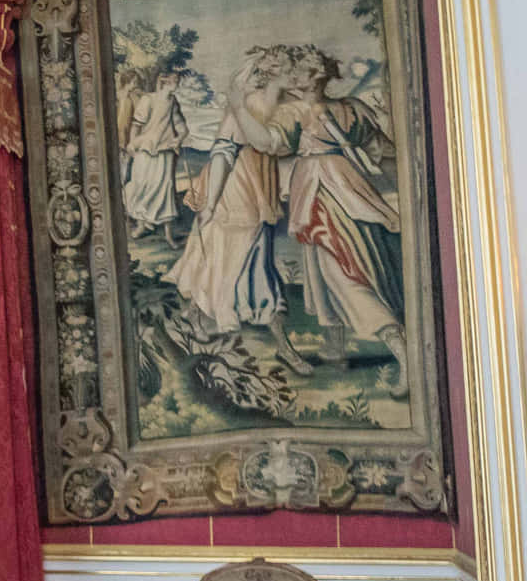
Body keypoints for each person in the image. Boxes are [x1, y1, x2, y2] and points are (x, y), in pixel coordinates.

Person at [230, 45, 408, 395]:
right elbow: (384, 148)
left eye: (297, 73)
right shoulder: (351, 108)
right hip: (353, 188)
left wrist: (238, 107)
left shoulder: (297, 111)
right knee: (343, 263)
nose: (291, 78)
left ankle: (400, 350)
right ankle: (336, 349)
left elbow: (267, 143)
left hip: (320, 191)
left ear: (308, 80)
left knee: (339, 269)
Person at [165, 47, 312, 374]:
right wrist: (211, 203)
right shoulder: (246, 104)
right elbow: (223, 153)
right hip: (235, 194)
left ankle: (278, 345)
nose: (290, 74)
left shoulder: (284, 104)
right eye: (283, 67)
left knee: (249, 265)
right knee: (230, 263)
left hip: (258, 194)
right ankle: (281, 346)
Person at [121, 69, 189, 244]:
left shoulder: (172, 102)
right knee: (142, 186)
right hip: (145, 150)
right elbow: (136, 125)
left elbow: (182, 127)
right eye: (175, 80)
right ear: (165, 81)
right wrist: (132, 145)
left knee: (164, 189)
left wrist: (178, 139)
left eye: (178, 80)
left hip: (164, 151)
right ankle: (142, 224)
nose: (177, 83)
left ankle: (168, 233)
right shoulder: (148, 99)